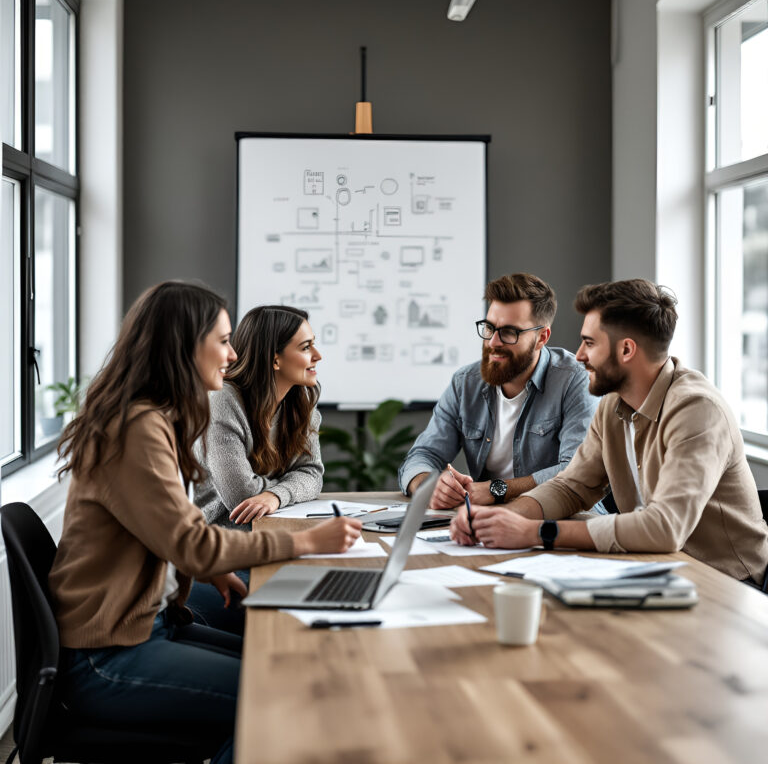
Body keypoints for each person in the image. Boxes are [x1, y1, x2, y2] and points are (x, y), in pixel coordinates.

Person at [48, 282, 362, 764]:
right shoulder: (135, 428)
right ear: (184, 346)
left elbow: (169, 526)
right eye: (222, 340)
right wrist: (305, 544)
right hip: (107, 656)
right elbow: (192, 540)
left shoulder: (155, 417)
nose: (233, 354)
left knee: (289, 673)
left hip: (151, 626)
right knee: (282, 698)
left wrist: (210, 570)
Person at [451, 279, 768, 586]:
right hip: (654, 570)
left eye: (589, 343)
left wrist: (535, 532)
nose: (579, 355)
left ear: (627, 350)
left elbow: (665, 528)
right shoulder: (613, 404)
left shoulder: (697, 410)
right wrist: (504, 518)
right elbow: (572, 487)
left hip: (726, 584)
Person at [399, 273, 598, 512]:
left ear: (541, 337)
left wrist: (497, 489)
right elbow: (423, 454)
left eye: (509, 332)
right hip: (486, 518)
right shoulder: (465, 383)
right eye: (489, 328)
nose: (493, 342)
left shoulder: (574, 380)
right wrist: (428, 485)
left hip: (562, 517)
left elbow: (576, 471)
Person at [187, 305, 324, 633]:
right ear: (274, 359)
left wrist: (276, 496)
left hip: (259, 548)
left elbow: (312, 473)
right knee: (296, 619)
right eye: (305, 348)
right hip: (217, 558)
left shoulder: (300, 403)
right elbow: (241, 496)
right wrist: (281, 487)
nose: (317, 355)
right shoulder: (222, 401)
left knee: (330, 593)